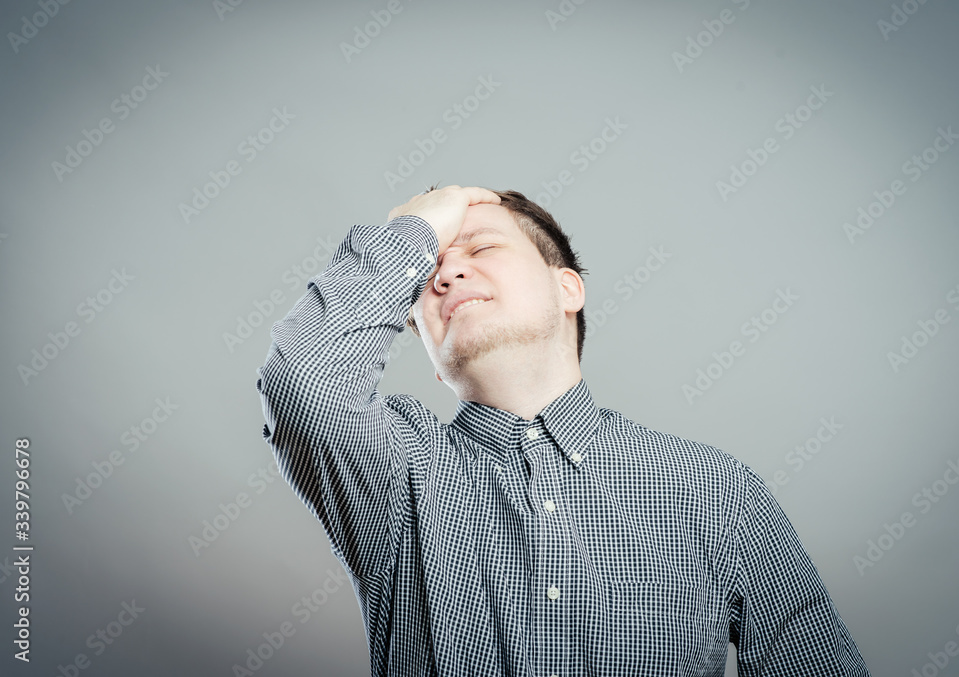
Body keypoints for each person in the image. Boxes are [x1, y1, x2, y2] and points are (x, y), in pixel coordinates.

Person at [256, 184, 870, 676]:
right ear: (432, 356)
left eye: (480, 248)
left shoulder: (717, 490)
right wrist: (413, 231)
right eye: (427, 270)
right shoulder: (398, 469)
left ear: (567, 287)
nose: (444, 275)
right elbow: (304, 375)